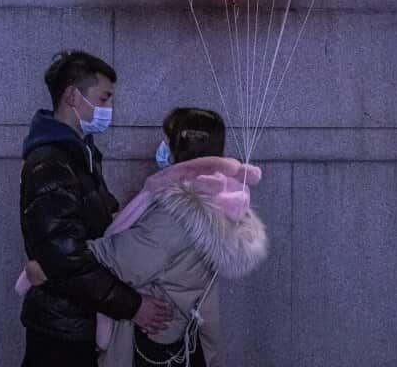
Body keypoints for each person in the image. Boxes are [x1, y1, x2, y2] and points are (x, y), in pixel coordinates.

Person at [25, 108, 268, 367]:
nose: (161, 147)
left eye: (166, 140)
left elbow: (122, 261)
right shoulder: (220, 199)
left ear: (180, 149)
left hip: (152, 343)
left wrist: (53, 266)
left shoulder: (179, 211)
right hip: (179, 334)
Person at [19, 51, 173, 367]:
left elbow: (105, 227)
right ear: (73, 96)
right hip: (61, 330)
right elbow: (66, 260)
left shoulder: (82, 156)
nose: (108, 109)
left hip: (80, 322)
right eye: (103, 98)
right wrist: (134, 306)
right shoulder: (51, 163)